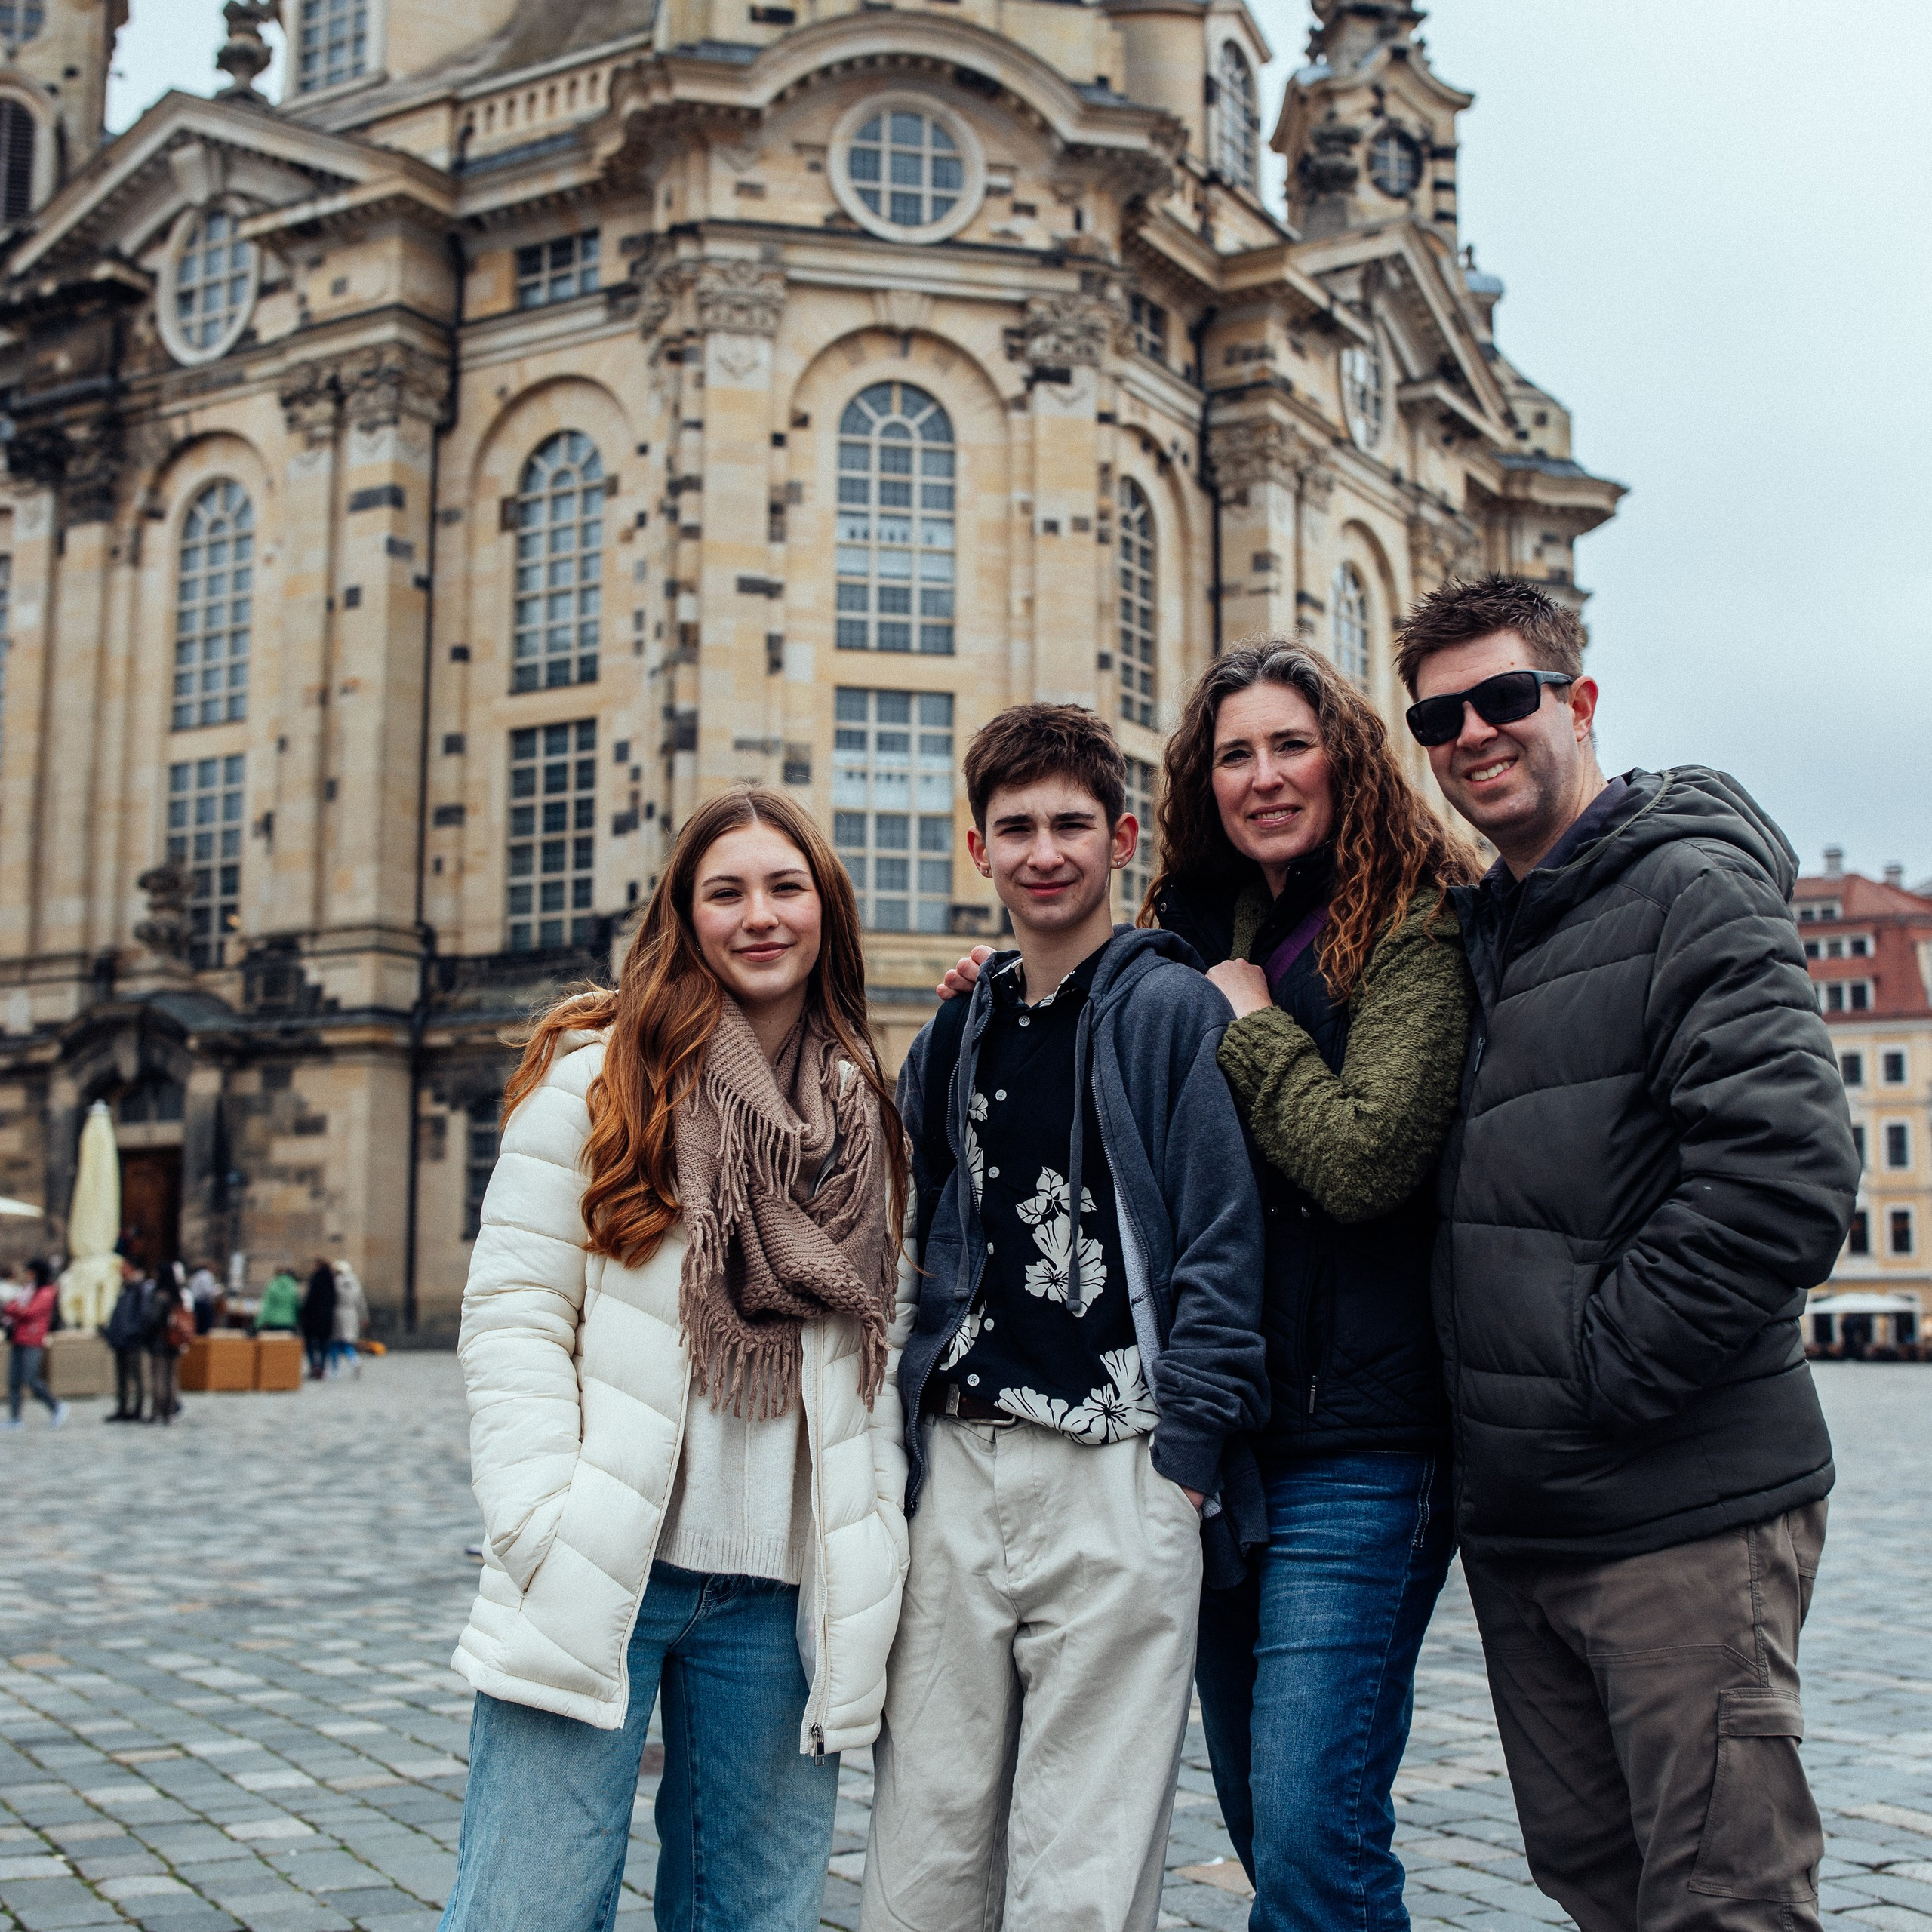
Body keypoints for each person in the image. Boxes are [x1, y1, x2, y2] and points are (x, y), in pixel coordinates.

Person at [933, 657, 1483, 1932]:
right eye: (1236, 754)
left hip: (1365, 1437)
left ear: (1346, 759)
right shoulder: (1196, 924)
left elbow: (1364, 1158)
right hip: (1231, 1439)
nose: (1264, 776)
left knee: (1308, 1824)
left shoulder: (1413, 921)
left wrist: (1249, 1026)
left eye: (1291, 746)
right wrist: (997, 986)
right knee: (1259, 1808)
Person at [1395, 575, 1857, 1932]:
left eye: (1504, 698)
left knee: (1726, 1902)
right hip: (1534, 1525)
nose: (1474, 732)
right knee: (1601, 1893)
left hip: (1680, 1509)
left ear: (1578, 703)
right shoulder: (1489, 929)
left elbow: (1784, 1180)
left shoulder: (1688, 890)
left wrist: (1596, 1377)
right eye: (1439, 716)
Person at [440, 788, 915, 1932]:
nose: (760, 916)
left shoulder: (861, 1117)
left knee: (756, 1915)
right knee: (528, 1908)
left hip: (783, 1593)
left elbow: (874, 1361)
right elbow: (513, 1311)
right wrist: (540, 1522)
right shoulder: (599, 1079)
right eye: (727, 892)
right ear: (686, 916)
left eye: (785, 887)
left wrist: (873, 1540)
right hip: (604, 1560)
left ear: (825, 911)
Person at [862, 706, 1267, 1932]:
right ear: (977, 850)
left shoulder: (1170, 1014)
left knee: (1084, 1867)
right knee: (923, 1847)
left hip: (1122, 1467)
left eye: (1072, 826)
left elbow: (1219, 1245)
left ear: (1122, 839)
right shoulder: (954, 1032)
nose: (1046, 851)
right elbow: (926, 1229)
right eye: (1018, 828)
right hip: (965, 1467)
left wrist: (1184, 1469)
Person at [3, 1258, 68, 1429]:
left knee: (31, 1378)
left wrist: (14, 1310)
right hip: (18, 1337)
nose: (27, 1275)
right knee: (14, 1379)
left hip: (33, 1339)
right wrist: (15, 1310)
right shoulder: (28, 1290)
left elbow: (29, 1312)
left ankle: (56, 1406)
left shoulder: (46, 1291)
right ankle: (15, 1417)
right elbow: (13, 1307)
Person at [103, 1260, 152, 1423]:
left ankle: (137, 1409)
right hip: (120, 1339)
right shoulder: (124, 1287)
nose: (121, 1270)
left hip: (132, 1339)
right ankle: (123, 1408)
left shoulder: (139, 1288)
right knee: (122, 1377)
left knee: (135, 1376)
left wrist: (133, 1331)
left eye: (124, 1267)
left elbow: (143, 1314)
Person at [146, 1265, 190, 1425]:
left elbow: (154, 1320)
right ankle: (170, 1410)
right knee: (172, 1377)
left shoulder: (160, 1295)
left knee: (159, 1377)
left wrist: (148, 1334)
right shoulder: (177, 1295)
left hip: (161, 1341)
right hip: (175, 1341)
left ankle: (158, 1411)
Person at [300, 1258, 337, 1380]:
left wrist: (304, 1313)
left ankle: (313, 1367)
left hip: (313, 1317)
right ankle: (321, 1367)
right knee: (324, 1344)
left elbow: (310, 1299)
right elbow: (334, 1299)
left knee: (310, 1343)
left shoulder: (316, 1279)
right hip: (327, 1317)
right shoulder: (331, 1280)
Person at [329, 1259, 366, 1375]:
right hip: (352, 1313)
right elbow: (361, 1302)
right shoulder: (355, 1282)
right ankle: (355, 1360)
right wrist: (364, 1316)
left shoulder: (335, 1281)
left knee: (334, 1343)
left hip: (337, 1313)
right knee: (347, 1342)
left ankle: (334, 1370)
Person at [254, 1266, 300, 1335]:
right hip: (289, 1322)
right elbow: (297, 1306)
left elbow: (267, 1307)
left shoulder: (272, 1286)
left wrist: (258, 1324)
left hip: (273, 1323)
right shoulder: (293, 1286)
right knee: (287, 1345)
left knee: (275, 1344)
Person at [186, 1260, 220, 1335]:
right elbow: (207, 1292)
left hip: (196, 1302)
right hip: (203, 1303)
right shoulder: (207, 1276)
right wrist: (217, 1291)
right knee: (204, 1328)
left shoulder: (198, 1275)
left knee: (198, 1326)